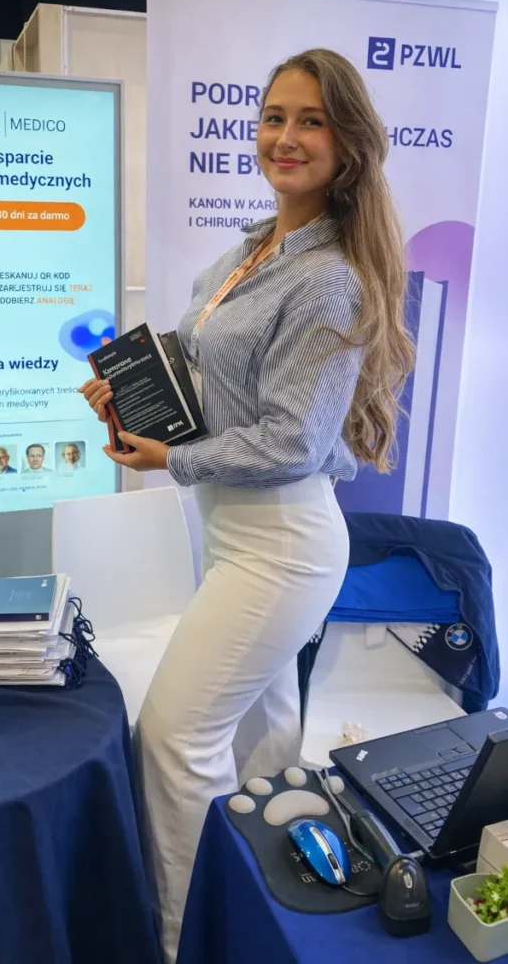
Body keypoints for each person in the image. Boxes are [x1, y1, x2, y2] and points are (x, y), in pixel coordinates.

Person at [80, 48, 414, 962]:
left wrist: (173, 457)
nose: (285, 137)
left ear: (348, 143)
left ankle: (180, 940)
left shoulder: (328, 276)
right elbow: (200, 372)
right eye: (273, 117)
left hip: (280, 544)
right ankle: (262, 928)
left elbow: (291, 441)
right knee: (264, 755)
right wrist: (130, 399)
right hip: (232, 534)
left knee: (174, 738)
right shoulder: (249, 251)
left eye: (310, 121)